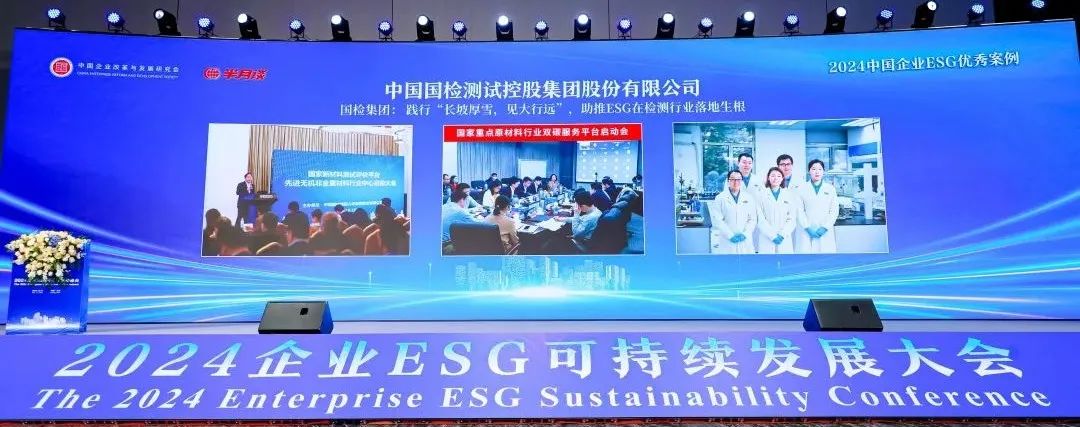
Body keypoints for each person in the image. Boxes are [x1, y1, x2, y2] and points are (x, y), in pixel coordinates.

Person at [709, 170, 757, 255]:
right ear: (728, 181)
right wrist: (730, 235)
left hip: (745, 240)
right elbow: (717, 220)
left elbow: (752, 219)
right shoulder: (720, 198)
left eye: (738, 179)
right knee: (728, 262)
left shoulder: (749, 198)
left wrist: (745, 234)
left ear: (741, 181)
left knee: (746, 262)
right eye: (733, 179)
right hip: (726, 240)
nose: (736, 182)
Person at [797, 159, 839, 254]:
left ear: (823, 171)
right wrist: (807, 228)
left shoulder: (830, 189)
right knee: (806, 257)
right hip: (806, 230)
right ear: (809, 171)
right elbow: (799, 211)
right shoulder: (801, 188)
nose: (817, 172)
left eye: (820, 169)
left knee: (825, 257)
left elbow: (834, 211)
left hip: (825, 230)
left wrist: (825, 227)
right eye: (813, 169)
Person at [756, 167, 797, 254]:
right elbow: (760, 218)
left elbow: (792, 218)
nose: (775, 178)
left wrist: (782, 234)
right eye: (773, 176)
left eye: (778, 176)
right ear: (768, 178)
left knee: (785, 261)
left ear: (782, 178)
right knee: (767, 261)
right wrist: (772, 235)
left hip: (784, 238)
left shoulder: (789, 195)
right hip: (766, 237)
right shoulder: (761, 195)